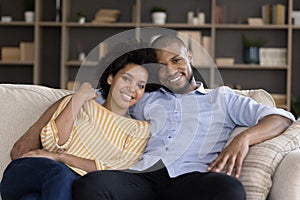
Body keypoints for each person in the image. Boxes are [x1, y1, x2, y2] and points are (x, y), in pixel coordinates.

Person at [3, 35, 295, 200]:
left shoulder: (224, 99)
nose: (171, 70)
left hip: (191, 179)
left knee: (229, 189)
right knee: (91, 186)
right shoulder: (144, 97)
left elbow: (282, 117)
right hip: (141, 177)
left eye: (177, 60)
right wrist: (32, 135)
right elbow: (78, 97)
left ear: (190, 58)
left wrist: (244, 138)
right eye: (161, 65)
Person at [0, 47, 156, 200]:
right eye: (126, 78)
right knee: (61, 176)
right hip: (33, 171)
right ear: (110, 78)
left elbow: (116, 169)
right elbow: (53, 143)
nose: (132, 89)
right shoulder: (80, 103)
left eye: (140, 85)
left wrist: (59, 157)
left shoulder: (140, 130)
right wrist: (78, 98)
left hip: (67, 185)